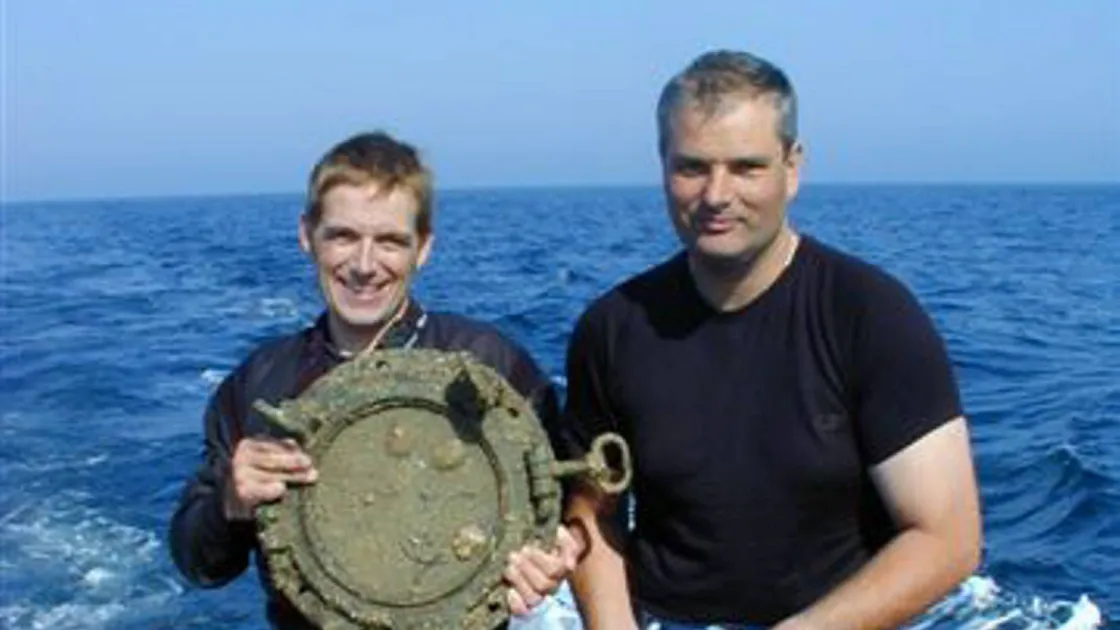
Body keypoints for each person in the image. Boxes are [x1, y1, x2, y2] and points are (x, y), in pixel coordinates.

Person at [555, 50, 983, 630]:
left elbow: (947, 537)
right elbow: (594, 513)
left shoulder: (873, 316)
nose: (716, 195)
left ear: (793, 166)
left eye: (746, 167)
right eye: (692, 167)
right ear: (662, 166)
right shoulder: (611, 329)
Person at [169, 131, 580, 628]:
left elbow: (566, 508)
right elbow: (199, 564)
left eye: (390, 241)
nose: (364, 265)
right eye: (343, 236)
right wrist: (229, 502)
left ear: (422, 248)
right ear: (307, 235)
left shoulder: (491, 363)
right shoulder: (258, 384)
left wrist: (556, 554)